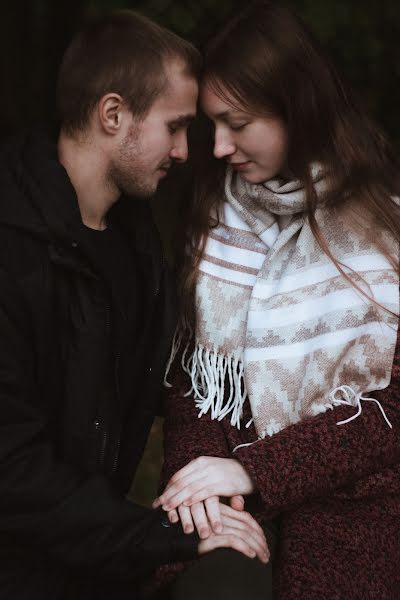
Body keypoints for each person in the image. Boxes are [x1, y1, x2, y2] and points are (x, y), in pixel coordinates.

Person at [0, 10, 269, 600]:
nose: (183, 151)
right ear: (113, 114)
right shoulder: (13, 250)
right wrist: (164, 536)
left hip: (95, 565)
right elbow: (14, 474)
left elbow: (167, 387)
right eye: (175, 126)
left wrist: (246, 468)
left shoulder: (134, 237)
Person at [153, 1, 400, 598]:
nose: (218, 147)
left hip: (358, 514)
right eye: (212, 124)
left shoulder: (383, 230)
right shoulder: (217, 220)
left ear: (297, 107)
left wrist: (258, 470)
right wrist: (204, 498)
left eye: (237, 123)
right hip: (234, 510)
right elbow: (197, 387)